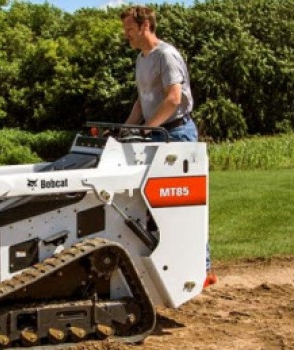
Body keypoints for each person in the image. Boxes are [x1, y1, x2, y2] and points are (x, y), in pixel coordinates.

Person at [120, 5, 217, 287]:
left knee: (183, 203)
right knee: (153, 204)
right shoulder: (142, 59)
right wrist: (127, 128)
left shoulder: (166, 55)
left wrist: (148, 128)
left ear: (145, 26)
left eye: (129, 29)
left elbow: (174, 98)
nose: (126, 35)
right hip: (157, 133)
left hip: (176, 134)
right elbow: (142, 101)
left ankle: (204, 268)